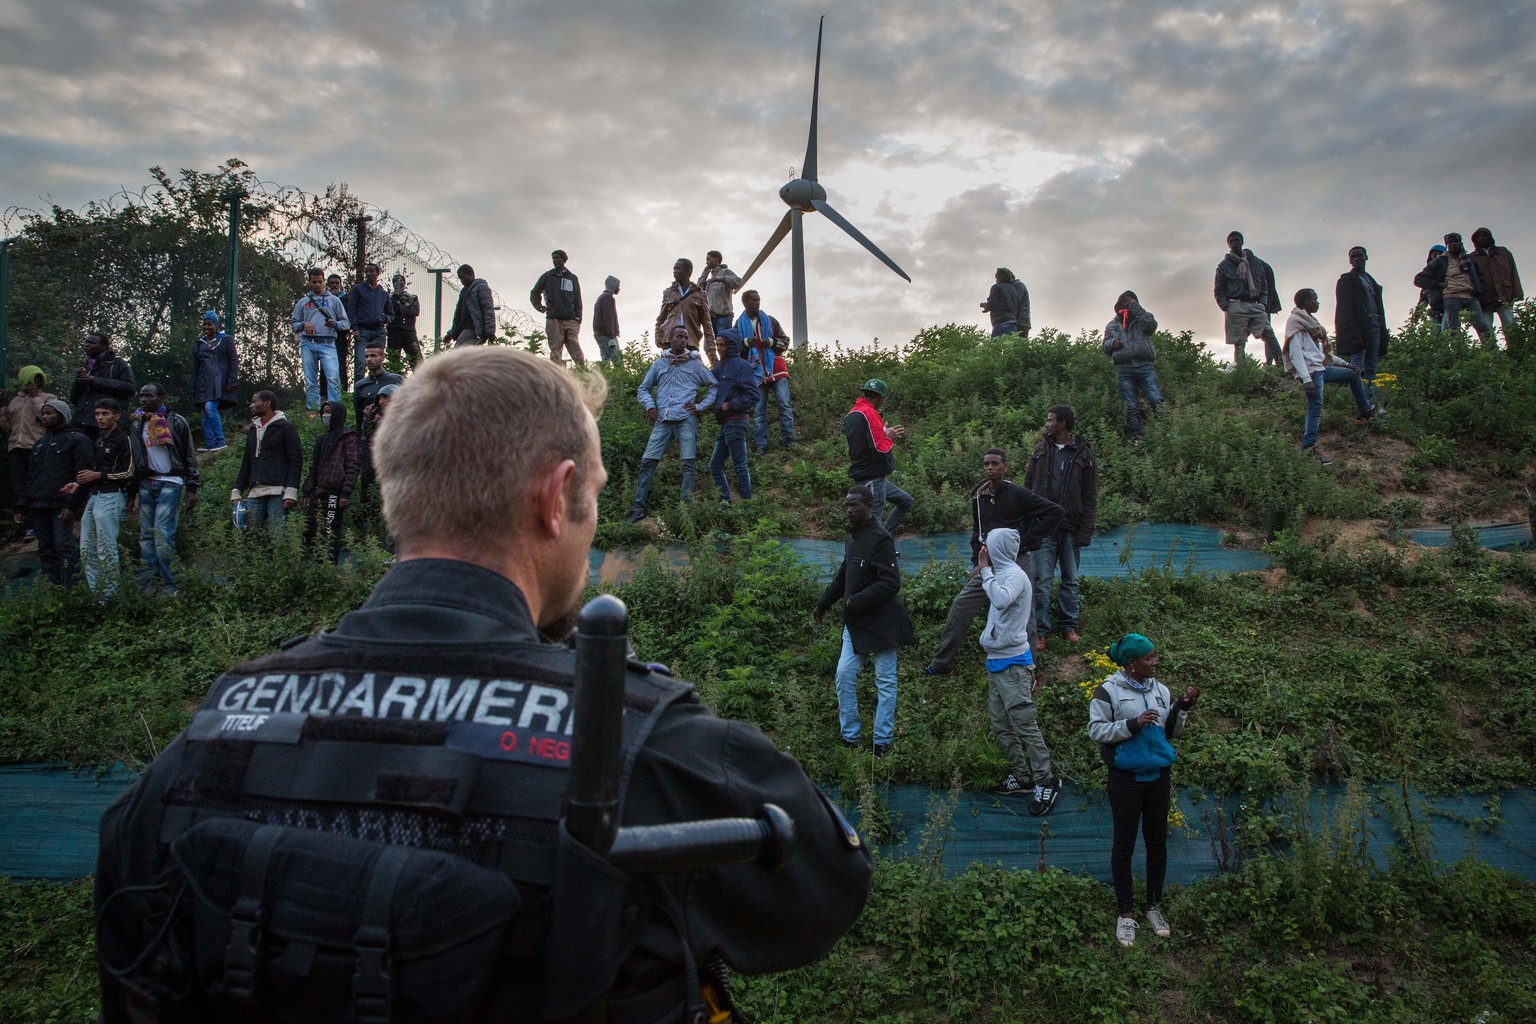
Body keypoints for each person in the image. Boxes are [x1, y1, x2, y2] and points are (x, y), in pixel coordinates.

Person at [95, 346, 873, 1023]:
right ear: (552, 497)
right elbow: (822, 897)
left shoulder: (210, 733)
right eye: (593, 496)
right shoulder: (636, 740)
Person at [1088, 633, 1200, 948]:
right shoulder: (1108, 691)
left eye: (1154, 657)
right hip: (1125, 779)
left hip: (1158, 778)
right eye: (1149, 658)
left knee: (1157, 844)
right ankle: (1125, 915)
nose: (1155, 662)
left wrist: (1182, 707)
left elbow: (1169, 733)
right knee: (1124, 846)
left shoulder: (1161, 690)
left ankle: (1153, 907)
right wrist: (1133, 724)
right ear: (1132, 663)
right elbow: (1096, 730)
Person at [924, 448, 1061, 676]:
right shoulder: (979, 496)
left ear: (1005, 466)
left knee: (1026, 616)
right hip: (989, 563)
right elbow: (978, 532)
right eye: (986, 464)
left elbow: (1054, 512)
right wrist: (978, 561)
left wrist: (1024, 542)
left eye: (995, 463)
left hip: (1018, 561)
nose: (990, 468)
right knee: (961, 605)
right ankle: (942, 663)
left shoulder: (1018, 494)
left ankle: (1029, 672)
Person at [814, 484, 915, 755]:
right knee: (844, 675)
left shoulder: (880, 538)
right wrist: (824, 604)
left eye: (854, 505)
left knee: (885, 681)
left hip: (882, 622)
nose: (849, 509)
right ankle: (851, 737)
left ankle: (882, 741)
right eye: (846, 504)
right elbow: (843, 576)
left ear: (869, 507)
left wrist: (855, 601)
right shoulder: (852, 537)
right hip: (856, 623)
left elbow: (891, 582)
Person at [978, 527, 1062, 813]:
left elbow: (1001, 599)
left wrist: (985, 571)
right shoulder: (1003, 574)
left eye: (989, 544)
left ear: (998, 547)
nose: (985, 548)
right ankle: (1022, 775)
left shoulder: (1013, 575)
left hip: (1013, 664)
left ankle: (1044, 780)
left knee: (1025, 726)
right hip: (997, 661)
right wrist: (986, 572)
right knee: (1001, 723)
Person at [626, 324, 718, 523]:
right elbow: (643, 388)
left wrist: (700, 406)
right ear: (670, 338)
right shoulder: (660, 364)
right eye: (679, 337)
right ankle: (638, 507)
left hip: (686, 419)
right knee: (648, 462)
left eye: (686, 337)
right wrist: (650, 405)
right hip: (663, 420)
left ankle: (685, 508)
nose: (683, 340)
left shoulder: (695, 364)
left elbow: (713, 385)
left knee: (688, 463)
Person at [1024, 406, 1098, 648]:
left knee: (1071, 580)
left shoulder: (1083, 454)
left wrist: (1085, 530)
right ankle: (1041, 630)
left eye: (1050, 420)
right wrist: (1028, 523)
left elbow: (1090, 496)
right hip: (1043, 526)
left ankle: (1069, 625)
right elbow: (1028, 489)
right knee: (1041, 579)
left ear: (1063, 423)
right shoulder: (1040, 451)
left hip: (1070, 526)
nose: (1047, 424)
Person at [1286, 288, 1374, 465]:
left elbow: (1322, 355)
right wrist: (1306, 380)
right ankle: (1308, 450)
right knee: (1315, 409)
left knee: (1352, 375)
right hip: (1311, 373)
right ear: (1306, 303)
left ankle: (1364, 410)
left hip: (1320, 369)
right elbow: (1296, 355)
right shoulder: (1296, 324)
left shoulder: (1312, 325)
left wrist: (1347, 364)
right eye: (1315, 299)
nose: (1318, 302)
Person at [128, 383, 199, 594]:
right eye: (141, 396)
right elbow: (135, 458)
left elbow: (189, 455)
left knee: (162, 535)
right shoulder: (136, 423)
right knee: (146, 537)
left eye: (148, 396)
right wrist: (131, 493)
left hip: (170, 481)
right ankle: (148, 586)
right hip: (146, 482)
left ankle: (171, 585)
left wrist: (192, 487)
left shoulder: (176, 422)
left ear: (161, 398)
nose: (143, 399)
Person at [13, 398, 91, 586]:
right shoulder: (40, 443)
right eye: (44, 413)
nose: (45, 416)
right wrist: (21, 506)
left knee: (64, 547)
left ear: (62, 415)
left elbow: (82, 475)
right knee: (46, 549)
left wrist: (71, 504)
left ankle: (72, 591)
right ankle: (55, 591)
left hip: (61, 505)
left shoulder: (78, 439)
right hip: (38, 506)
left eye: (49, 413)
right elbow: (31, 478)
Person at [74, 399, 136, 598]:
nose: (100, 418)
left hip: (111, 495)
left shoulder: (123, 439)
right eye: (98, 414)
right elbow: (93, 470)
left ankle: (111, 597)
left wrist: (98, 476)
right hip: (94, 495)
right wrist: (79, 483)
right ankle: (97, 596)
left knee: (106, 548)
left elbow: (129, 472)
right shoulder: (99, 439)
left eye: (105, 414)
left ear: (116, 416)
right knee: (86, 548)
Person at [842, 379, 911, 534]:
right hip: (872, 477)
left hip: (867, 476)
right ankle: (875, 552)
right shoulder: (870, 413)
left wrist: (882, 432)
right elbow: (879, 450)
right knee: (874, 522)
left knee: (906, 501)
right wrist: (889, 437)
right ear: (880, 398)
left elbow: (863, 442)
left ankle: (884, 540)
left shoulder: (851, 414)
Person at [230, 390, 303, 534]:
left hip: (278, 491)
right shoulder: (252, 430)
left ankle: (278, 557)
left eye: (254, 401)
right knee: (251, 535)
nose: (251, 405)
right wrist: (237, 489)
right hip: (255, 491)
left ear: (267, 403)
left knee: (277, 535)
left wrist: (291, 490)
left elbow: (295, 460)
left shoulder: (285, 427)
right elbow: (247, 462)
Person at [1, 365, 59, 535]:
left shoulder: (49, 398)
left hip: (37, 447)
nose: (37, 382)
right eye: (34, 379)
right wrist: (3, 408)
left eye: (40, 379)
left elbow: (46, 418)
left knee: (35, 486)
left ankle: (37, 526)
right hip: (15, 449)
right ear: (25, 380)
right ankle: (26, 526)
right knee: (20, 487)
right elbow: (7, 427)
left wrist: (35, 398)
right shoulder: (15, 401)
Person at [1333, 246, 1390, 415]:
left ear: (1366, 257)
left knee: (1371, 366)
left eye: (1359, 256)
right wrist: (1353, 331)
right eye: (1353, 257)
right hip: (1359, 329)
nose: (1356, 259)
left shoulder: (1371, 282)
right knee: (1356, 366)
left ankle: (1371, 400)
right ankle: (1359, 402)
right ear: (1349, 260)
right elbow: (1345, 310)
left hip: (1375, 326)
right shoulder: (1346, 280)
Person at [302, 399, 360, 563]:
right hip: (318, 490)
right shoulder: (322, 439)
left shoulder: (348, 437)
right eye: (324, 412)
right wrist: (307, 490)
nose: (326, 415)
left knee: (331, 527)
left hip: (335, 491)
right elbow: (314, 467)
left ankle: (330, 565)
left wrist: (346, 492)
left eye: (329, 412)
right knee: (311, 524)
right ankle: (315, 562)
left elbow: (353, 465)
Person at [738, 289, 795, 453]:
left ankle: (789, 441)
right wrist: (746, 343)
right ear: (745, 303)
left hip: (776, 368)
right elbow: (735, 347)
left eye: (758, 300)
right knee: (758, 410)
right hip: (755, 371)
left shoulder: (771, 321)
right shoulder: (739, 324)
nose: (757, 303)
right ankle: (760, 445)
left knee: (784, 404)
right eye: (753, 300)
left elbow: (785, 341)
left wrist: (771, 342)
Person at [1101, 291, 1162, 440]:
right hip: (1124, 368)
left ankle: (1165, 431)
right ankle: (1136, 438)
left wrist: (1136, 307)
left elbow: (1151, 325)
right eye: (1125, 302)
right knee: (1130, 405)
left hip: (1145, 365)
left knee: (1155, 399)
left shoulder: (1143, 320)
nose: (1127, 305)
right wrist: (1112, 343)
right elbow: (1104, 346)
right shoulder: (1112, 325)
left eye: (1131, 302)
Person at [707, 329, 759, 506]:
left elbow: (753, 395)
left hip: (736, 421)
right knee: (715, 466)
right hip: (726, 423)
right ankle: (726, 504)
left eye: (722, 345)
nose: (719, 348)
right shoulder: (719, 367)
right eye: (717, 345)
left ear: (731, 345)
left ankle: (746, 507)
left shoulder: (741, 366)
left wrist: (730, 405)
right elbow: (706, 381)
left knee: (739, 465)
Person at [1214, 231, 1281, 364]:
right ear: (1228, 244)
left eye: (1237, 240)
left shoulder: (1256, 263)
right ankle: (1242, 371)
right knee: (1239, 342)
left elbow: (1264, 284)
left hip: (1255, 304)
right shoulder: (1224, 266)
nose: (1235, 243)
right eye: (1232, 241)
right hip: (1236, 305)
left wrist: (1262, 303)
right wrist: (1226, 306)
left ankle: (1282, 366)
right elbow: (1219, 289)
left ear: (1242, 242)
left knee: (1269, 334)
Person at [1416, 233, 1493, 344]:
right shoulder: (1441, 261)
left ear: (1460, 243)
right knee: (1453, 329)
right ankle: (1459, 354)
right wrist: (1439, 284)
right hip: (1451, 296)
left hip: (1470, 296)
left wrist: (1480, 290)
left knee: (1481, 325)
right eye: (1450, 243)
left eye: (1455, 242)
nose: (1453, 245)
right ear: (1447, 245)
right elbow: (1419, 279)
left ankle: (1492, 352)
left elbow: (1480, 277)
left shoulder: (1469, 259)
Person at [291, 268, 348, 412]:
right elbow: (294, 324)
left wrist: (334, 324)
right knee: (310, 379)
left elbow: (346, 323)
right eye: (314, 282)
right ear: (310, 282)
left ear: (324, 282)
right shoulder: (303, 302)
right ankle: (313, 410)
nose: (317, 285)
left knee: (333, 378)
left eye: (320, 282)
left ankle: (335, 409)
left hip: (328, 343)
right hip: (307, 343)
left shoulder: (334, 301)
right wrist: (304, 324)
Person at [70, 331, 138, 437]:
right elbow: (74, 399)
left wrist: (94, 380)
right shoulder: (85, 366)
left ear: (103, 347)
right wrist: (79, 382)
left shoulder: (118, 364)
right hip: (81, 424)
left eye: (92, 343)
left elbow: (129, 388)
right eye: (86, 342)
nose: (87, 345)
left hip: (107, 426)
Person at [191, 310, 239, 452]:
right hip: (203, 382)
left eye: (210, 324)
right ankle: (209, 442)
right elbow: (195, 368)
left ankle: (220, 440)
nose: (207, 327)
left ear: (216, 325)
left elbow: (234, 361)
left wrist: (232, 381)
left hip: (220, 380)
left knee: (210, 408)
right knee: (203, 411)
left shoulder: (226, 340)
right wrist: (192, 388)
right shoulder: (199, 344)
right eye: (205, 324)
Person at [655, 258, 715, 365]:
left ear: (689, 271)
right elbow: (660, 319)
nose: (675, 271)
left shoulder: (700, 294)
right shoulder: (668, 292)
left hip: (691, 341)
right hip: (670, 342)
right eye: (674, 269)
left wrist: (712, 351)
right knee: (669, 374)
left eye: (678, 268)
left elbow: (707, 324)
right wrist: (659, 340)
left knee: (692, 374)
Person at [531, 249, 585, 366]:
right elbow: (534, 293)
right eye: (553, 258)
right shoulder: (547, 276)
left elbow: (577, 300)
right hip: (553, 318)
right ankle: (557, 376)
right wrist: (540, 307)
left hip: (570, 318)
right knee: (555, 350)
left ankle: (583, 371)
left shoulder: (572, 278)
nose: (555, 260)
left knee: (574, 346)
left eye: (557, 257)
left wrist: (578, 318)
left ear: (564, 260)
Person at [1470, 227, 1523, 340]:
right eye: (1478, 237)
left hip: (1504, 295)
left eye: (1483, 236)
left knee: (1510, 325)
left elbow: (1513, 273)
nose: (1481, 238)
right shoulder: (1472, 257)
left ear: (1489, 237)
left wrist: (1517, 294)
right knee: (1486, 329)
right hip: (1484, 299)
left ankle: (1515, 351)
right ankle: (1492, 356)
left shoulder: (1503, 252)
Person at [347, 263, 396, 384]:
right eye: (366, 271)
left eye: (371, 271)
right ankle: (359, 389)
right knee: (361, 362)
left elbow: (391, 314)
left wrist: (383, 319)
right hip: (362, 331)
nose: (369, 274)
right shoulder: (358, 290)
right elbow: (351, 309)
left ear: (377, 273)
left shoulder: (383, 294)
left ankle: (376, 387)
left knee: (377, 361)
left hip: (379, 331)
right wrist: (355, 328)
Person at [448, 263, 496, 346]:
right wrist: (450, 333)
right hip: (464, 328)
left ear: (471, 275)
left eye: (463, 277)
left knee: (457, 353)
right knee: (466, 356)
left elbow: (488, 309)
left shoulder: (481, 287)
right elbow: (459, 317)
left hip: (473, 329)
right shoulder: (464, 291)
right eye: (460, 279)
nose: (462, 281)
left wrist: (490, 331)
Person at [698, 250, 742, 337]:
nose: (707, 262)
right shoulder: (709, 280)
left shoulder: (726, 272)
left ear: (716, 259)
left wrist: (720, 278)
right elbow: (698, 288)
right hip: (709, 318)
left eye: (708, 259)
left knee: (724, 342)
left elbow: (737, 282)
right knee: (710, 346)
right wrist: (704, 274)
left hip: (723, 316)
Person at [980, 268, 1030, 338]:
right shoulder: (1011, 287)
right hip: (1014, 322)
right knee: (1012, 346)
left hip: (1019, 322)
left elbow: (1012, 302)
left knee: (999, 345)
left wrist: (987, 306)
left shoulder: (1016, 285)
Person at [386, 272, 423, 368]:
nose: (399, 283)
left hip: (409, 330)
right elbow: (390, 310)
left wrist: (398, 308)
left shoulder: (412, 297)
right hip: (394, 331)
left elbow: (415, 311)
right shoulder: (389, 298)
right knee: (393, 360)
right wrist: (396, 297)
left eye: (401, 280)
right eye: (396, 281)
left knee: (416, 360)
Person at [328, 272, 356, 391]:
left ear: (340, 284)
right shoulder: (325, 298)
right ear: (328, 285)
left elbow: (349, 316)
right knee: (326, 366)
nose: (334, 285)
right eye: (332, 283)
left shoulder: (346, 299)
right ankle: (325, 391)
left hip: (340, 335)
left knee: (341, 364)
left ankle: (343, 390)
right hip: (326, 336)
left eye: (337, 283)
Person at [1416, 244, 1448, 332]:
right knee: (1436, 339)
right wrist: (1416, 317)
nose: (1436, 255)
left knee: (1448, 334)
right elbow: (1422, 300)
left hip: (1448, 308)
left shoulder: (1448, 272)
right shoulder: (1427, 278)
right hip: (1435, 312)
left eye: (1439, 253)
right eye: (1433, 253)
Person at [592, 275, 622, 362]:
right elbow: (608, 317)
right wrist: (612, 336)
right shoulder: (607, 298)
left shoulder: (601, 298)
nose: (619, 288)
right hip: (606, 335)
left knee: (605, 360)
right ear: (612, 285)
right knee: (618, 361)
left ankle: (602, 375)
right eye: (618, 285)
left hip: (600, 334)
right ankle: (621, 376)